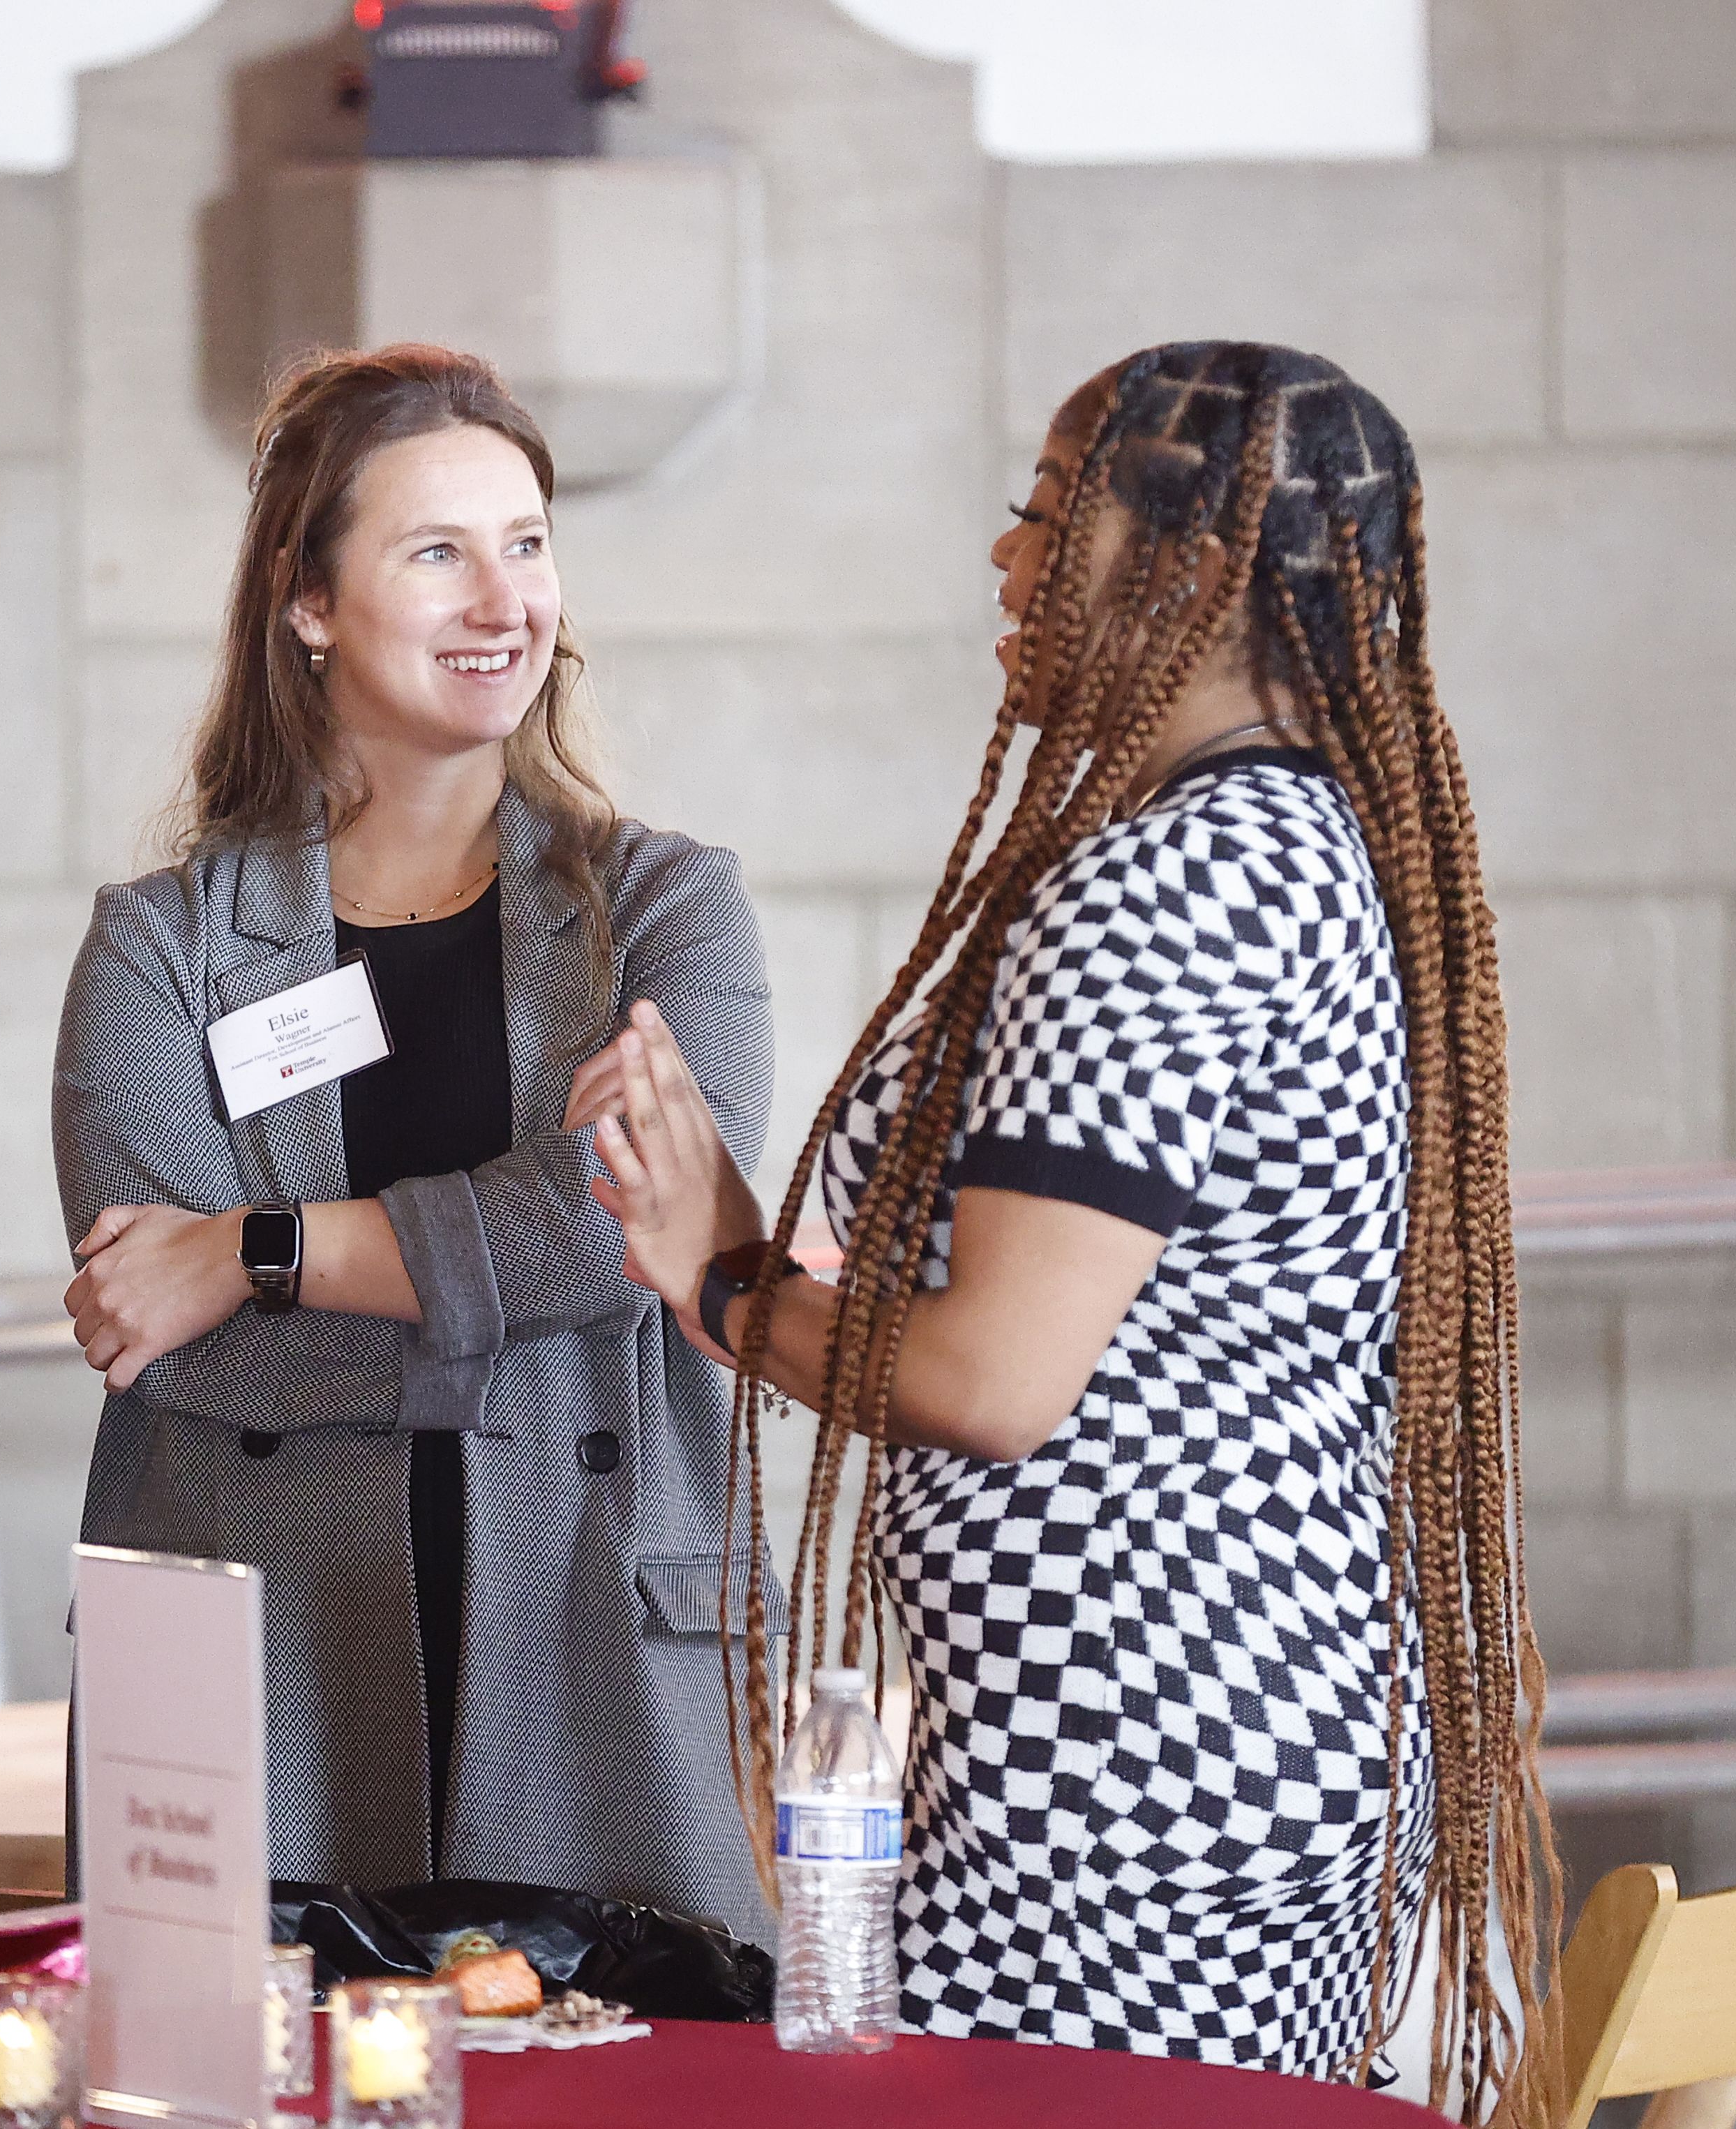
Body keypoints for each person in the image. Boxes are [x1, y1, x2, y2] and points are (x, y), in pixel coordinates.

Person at [586, 343, 1555, 2109]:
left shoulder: (1163, 881)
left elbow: (991, 1380)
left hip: (1125, 1750)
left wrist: (720, 1274)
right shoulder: (1308, 836)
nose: (1002, 563)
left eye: (1042, 518)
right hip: (1240, 1707)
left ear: (1179, 568)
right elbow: (1141, 1318)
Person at [54, 345, 775, 1941]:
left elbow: (634, 1231)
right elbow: (168, 1342)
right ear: (307, 602)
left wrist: (257, 1250)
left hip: (595, 1630)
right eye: (436, 550)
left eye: (525, 543)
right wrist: (511, 1296)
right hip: (254, 1644)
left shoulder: (665, 908)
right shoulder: (160, 948)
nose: (501, 597)